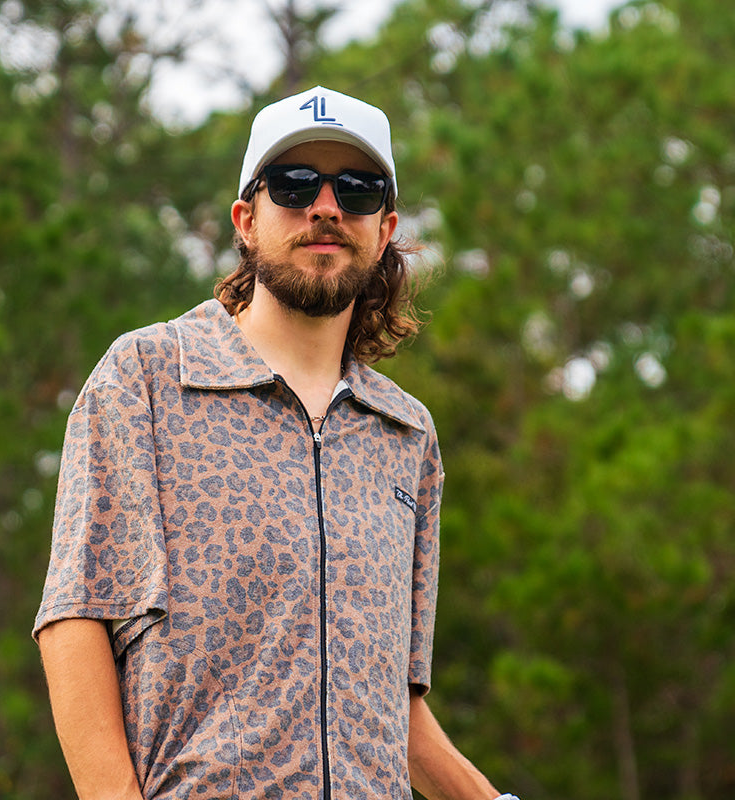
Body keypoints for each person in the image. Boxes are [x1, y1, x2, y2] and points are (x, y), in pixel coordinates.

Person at [34, 85, 519, 800]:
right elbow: (76, 621)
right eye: (294, 184)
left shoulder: (406, 434)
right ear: (246, 220)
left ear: (383, 230)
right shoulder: (145, 379)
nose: (326, 206)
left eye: (355, 190)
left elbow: (398, 707)